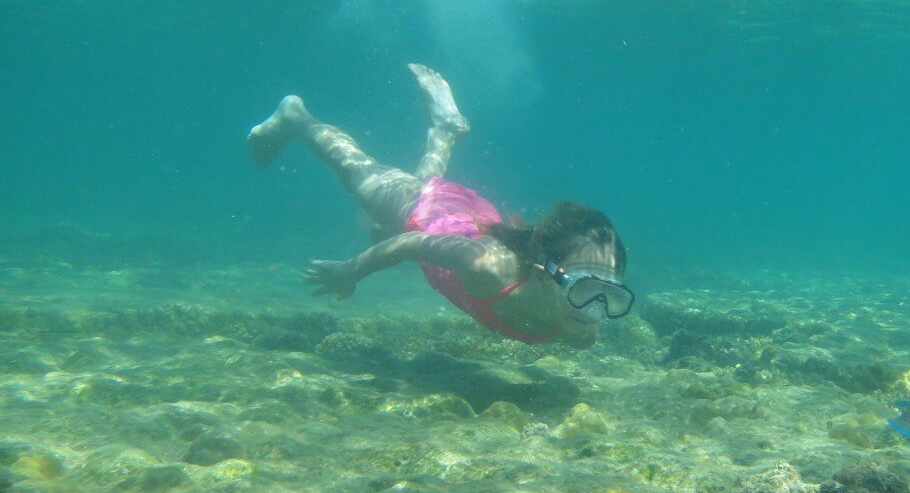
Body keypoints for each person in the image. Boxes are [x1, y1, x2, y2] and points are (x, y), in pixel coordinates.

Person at [245, 64, 632, 349]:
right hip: (433, 215)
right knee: (356, 171)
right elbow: (409, 244)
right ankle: (296, 117)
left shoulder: (579, 322)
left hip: (470, 218)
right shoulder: (484, 267)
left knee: (418, 187)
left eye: (609, 293)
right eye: (585, 288)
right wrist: (349, 273)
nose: (596, 308)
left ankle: (445, 132)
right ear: (541, 272)